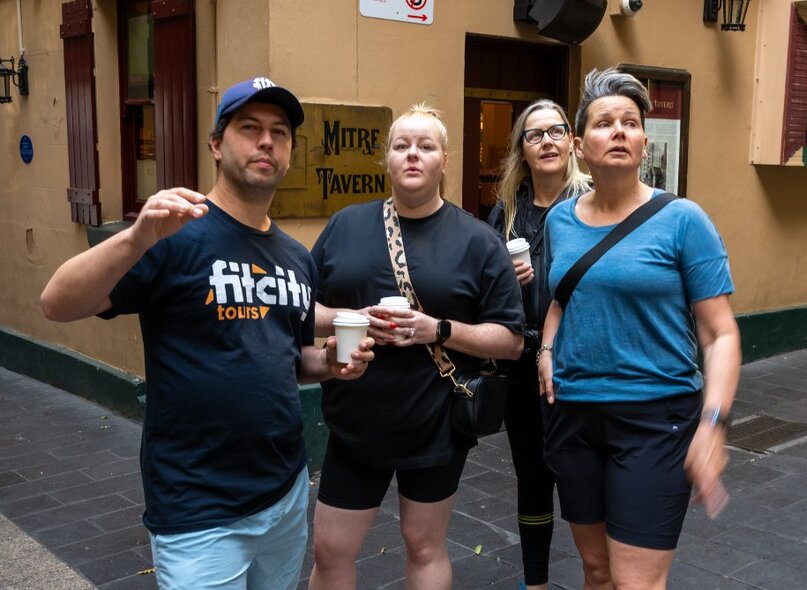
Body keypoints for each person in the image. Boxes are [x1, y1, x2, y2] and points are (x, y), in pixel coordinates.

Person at [40, 77, 375, 590]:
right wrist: (135, 237)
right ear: (217, 145)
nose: (267, 141)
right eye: (250, 128)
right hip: (198, 508)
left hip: (284, 494)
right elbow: (57, 303)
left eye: (280, 133)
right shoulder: (173, 232)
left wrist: (329, 366)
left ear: (289, 152)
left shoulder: (296, 258)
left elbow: (292, 359)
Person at [537, 68, 741, 590]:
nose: (620, 131)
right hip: (573, 415)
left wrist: (713, 423)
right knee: (596, 571)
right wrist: (546, 346)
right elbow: (565, 295)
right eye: (605, 123)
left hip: (654, 418)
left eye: (631, 122)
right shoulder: (560, 221)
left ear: (645, 141)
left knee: (635, 582)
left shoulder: (683, 220)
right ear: (580, 146)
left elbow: (720, 334)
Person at [308, 104, 524, 590]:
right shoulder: (345, 226)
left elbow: (511, 341)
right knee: (330, 549)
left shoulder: (478, 241)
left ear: (443, 159)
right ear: (386, 159)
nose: (413, 155)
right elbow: (303, 309)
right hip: (355, 420)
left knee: (424, 546)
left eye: (425, 146)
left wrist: (438, 330)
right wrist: (352, 319)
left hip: (435, 424)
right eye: (402, 145)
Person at [486, 99, 591, 590]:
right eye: (535, 135)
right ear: (522, 151)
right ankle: (536, 584)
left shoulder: (595, 203)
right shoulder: (505, 214)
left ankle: (606, 574)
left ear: (573, 142)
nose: (547, 141)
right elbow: (478, 291)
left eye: (557, 131)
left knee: (588, 481)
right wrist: (505, 280)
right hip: (521, 366)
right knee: (532, 479)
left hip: (584, 364)